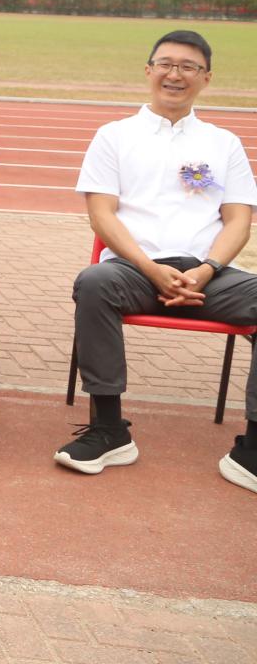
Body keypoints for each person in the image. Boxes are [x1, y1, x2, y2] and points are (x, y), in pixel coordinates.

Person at [58, 29, 257, 493]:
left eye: (189, 67)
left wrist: (206, 270)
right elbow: (102, 215)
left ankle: (251, 451)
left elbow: (238, 221)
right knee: (94, 282)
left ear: (206, 78)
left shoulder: (224, 143)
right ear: (149, 71)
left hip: (208, 275)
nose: (175, 74)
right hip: (133, 272)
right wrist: (150, 269)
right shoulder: (114, 136)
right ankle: (109, 430)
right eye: (166, 64)